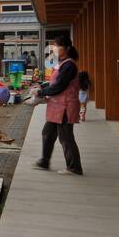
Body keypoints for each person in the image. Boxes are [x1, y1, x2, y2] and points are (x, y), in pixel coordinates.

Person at [32, 39, 83, 175]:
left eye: (57, 46)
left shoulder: (69, 65)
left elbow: (60, 86)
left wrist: (41, 93)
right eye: (53, 47)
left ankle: (74, 167)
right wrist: (42, 86)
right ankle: (44, 161)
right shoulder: (61, 64)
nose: (54, 49)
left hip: (65, 106)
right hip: (57, 106)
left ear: (66, 48)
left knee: (66, 137)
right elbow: (54, 83)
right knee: (48, 132)